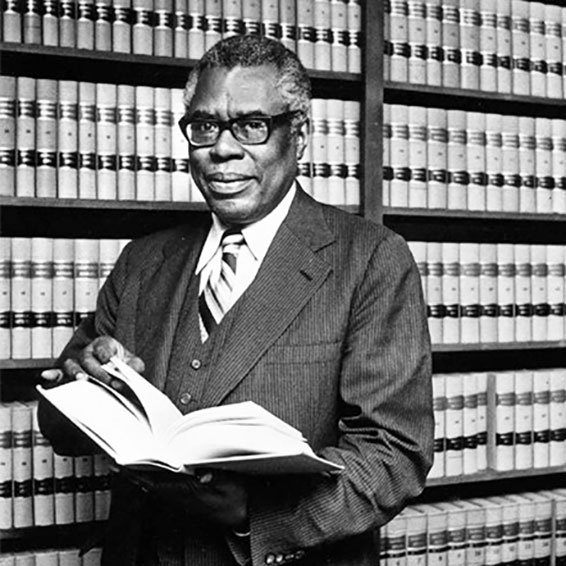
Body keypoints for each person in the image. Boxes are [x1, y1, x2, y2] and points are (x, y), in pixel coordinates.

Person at [38, 34, 433, 566]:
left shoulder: (371, 260)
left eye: (252, 125)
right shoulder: (142, 262)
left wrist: (253, 514)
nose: (223, 149)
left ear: (300, 135)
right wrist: (83, 385)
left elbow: (395, 455)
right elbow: (59, 427)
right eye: (204, 126)